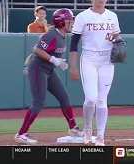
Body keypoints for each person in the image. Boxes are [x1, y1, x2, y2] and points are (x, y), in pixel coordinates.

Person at [14, 8, 84, 145]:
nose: (72, 22)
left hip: (48, 70)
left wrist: (56, 61)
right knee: (38, 102)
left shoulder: (62, 35)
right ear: (62, 22)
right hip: (38, 69)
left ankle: (73, 128)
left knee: (64, 97)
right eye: (70, 20)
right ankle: (21, 134)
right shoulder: (53, 35)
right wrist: (54, 60)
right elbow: (37, 49)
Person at [69, 0, 121, 146]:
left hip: (106, 59)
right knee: (91, 98)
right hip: (89, 58)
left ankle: (100, 136)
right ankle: (88, 128)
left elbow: (116, 36)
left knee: (102, 100)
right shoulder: (83, 16)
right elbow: (74, 44)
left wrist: (117, 41)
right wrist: (73, 66)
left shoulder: (112, 16)